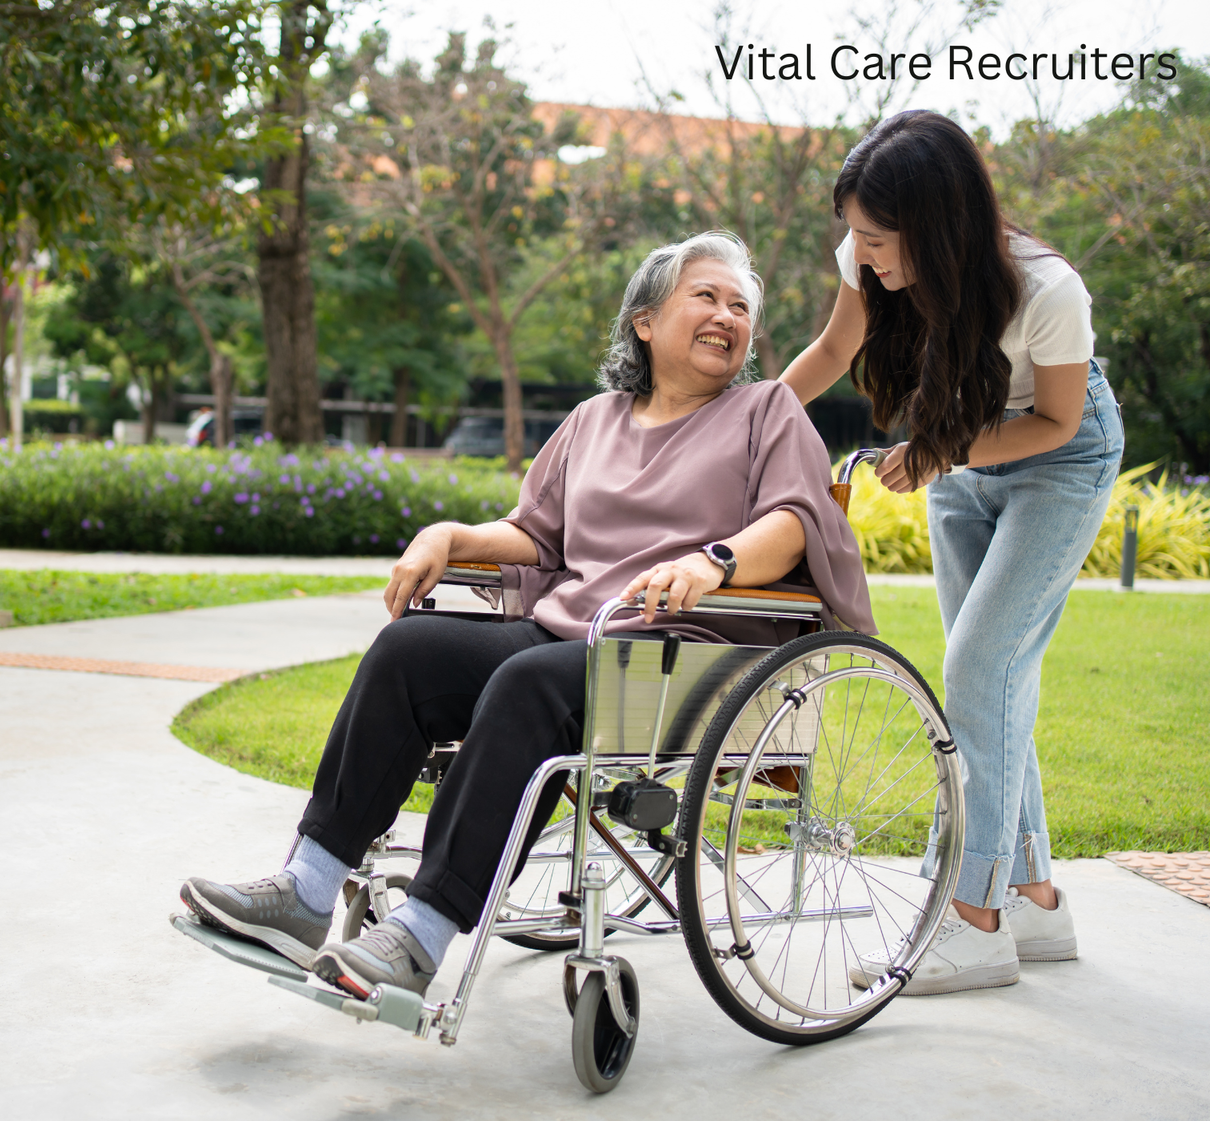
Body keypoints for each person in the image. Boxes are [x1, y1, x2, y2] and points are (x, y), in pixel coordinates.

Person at [181, 232, 874, 999]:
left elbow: (792, 523)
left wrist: (711, 560)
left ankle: (420, 934)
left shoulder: (765, 410)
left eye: (741, 305)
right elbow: (535, 534)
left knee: (527, 681)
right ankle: (308, 891)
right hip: (568, 636)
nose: (727, 316)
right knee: (407, 652)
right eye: (705, 296)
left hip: (686, 652)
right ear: (644, 320)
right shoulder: (593, 419)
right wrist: (449, 534)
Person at [781, 110, 1122, 995]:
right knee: (993, 679)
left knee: (978, 667)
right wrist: (746, 419)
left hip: (1059, 461)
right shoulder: (867, 255)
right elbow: (834, 347)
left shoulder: (1049, 290)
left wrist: (939, 450)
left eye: (879, 238)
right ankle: (1036, 897)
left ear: (937, 226)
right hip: (959, 451)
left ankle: (972, 922)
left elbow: (1054, 420)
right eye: (854, 233)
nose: (864, 254)